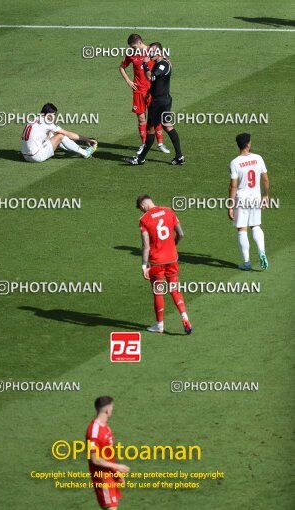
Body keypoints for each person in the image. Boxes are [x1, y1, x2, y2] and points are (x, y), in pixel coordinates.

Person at [137, 195, 192, 334]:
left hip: (156, 262)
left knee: (158, 291)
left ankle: (159, 325)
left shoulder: (144, 220)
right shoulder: (169, 211)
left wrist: (144, 265)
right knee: (174, 289)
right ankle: (185, 317)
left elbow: (146, 245)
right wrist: (174, 245)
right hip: (172, 259)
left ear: (143, 206)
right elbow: (181, 233)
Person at [126, 42, 185, 166]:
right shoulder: (164, 62)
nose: (148, 54)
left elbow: (151, 78)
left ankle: (141, 158)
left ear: (158, 52)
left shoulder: (162, 64)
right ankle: (179, 156)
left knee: (150, 129)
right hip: (165, 100)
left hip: (159, 102)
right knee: (168, 126)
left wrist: (145, 65)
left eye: (151, 52)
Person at [119, 34, 170, 155]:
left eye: (134, 47)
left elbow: (165, 60)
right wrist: (128, 81)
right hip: (138, 91)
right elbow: (121, 67)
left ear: (139, 43)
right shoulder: (131, 54)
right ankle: (143, 144)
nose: (133, 49)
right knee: (141, 118)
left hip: (152, 91)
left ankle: (160, 144)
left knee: (155, 118)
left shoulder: (151, 50)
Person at [228, 133, 269, 270]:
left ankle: (247, 263)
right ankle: (262, 251)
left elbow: (233, 186)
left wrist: (230, 206)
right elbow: (265, 179)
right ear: (248, 145)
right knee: (256, 226)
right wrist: (265, 195)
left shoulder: (235, 162)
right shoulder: (258, 158)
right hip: (256, 198)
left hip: (241, 199)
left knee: (242, 229)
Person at [86, 396, 130, 509]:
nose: (112, 410)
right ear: (107, 410)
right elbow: (94, 459)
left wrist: (116, 472)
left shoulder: (106, 427)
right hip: (103, 478)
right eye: (112, 407)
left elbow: (109, 453)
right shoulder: (94, 431)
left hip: (110, 474)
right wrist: (117, 466)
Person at [21, 103, 97, 162]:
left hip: (25, 156)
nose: (54, 117)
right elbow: (67, 134)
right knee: (60, 136)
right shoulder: (47, 122)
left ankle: (68, 147)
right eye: (54, 114)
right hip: (36, 157)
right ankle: (85, 153)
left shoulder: (33, 119)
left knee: (51, 134)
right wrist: (86, 139)